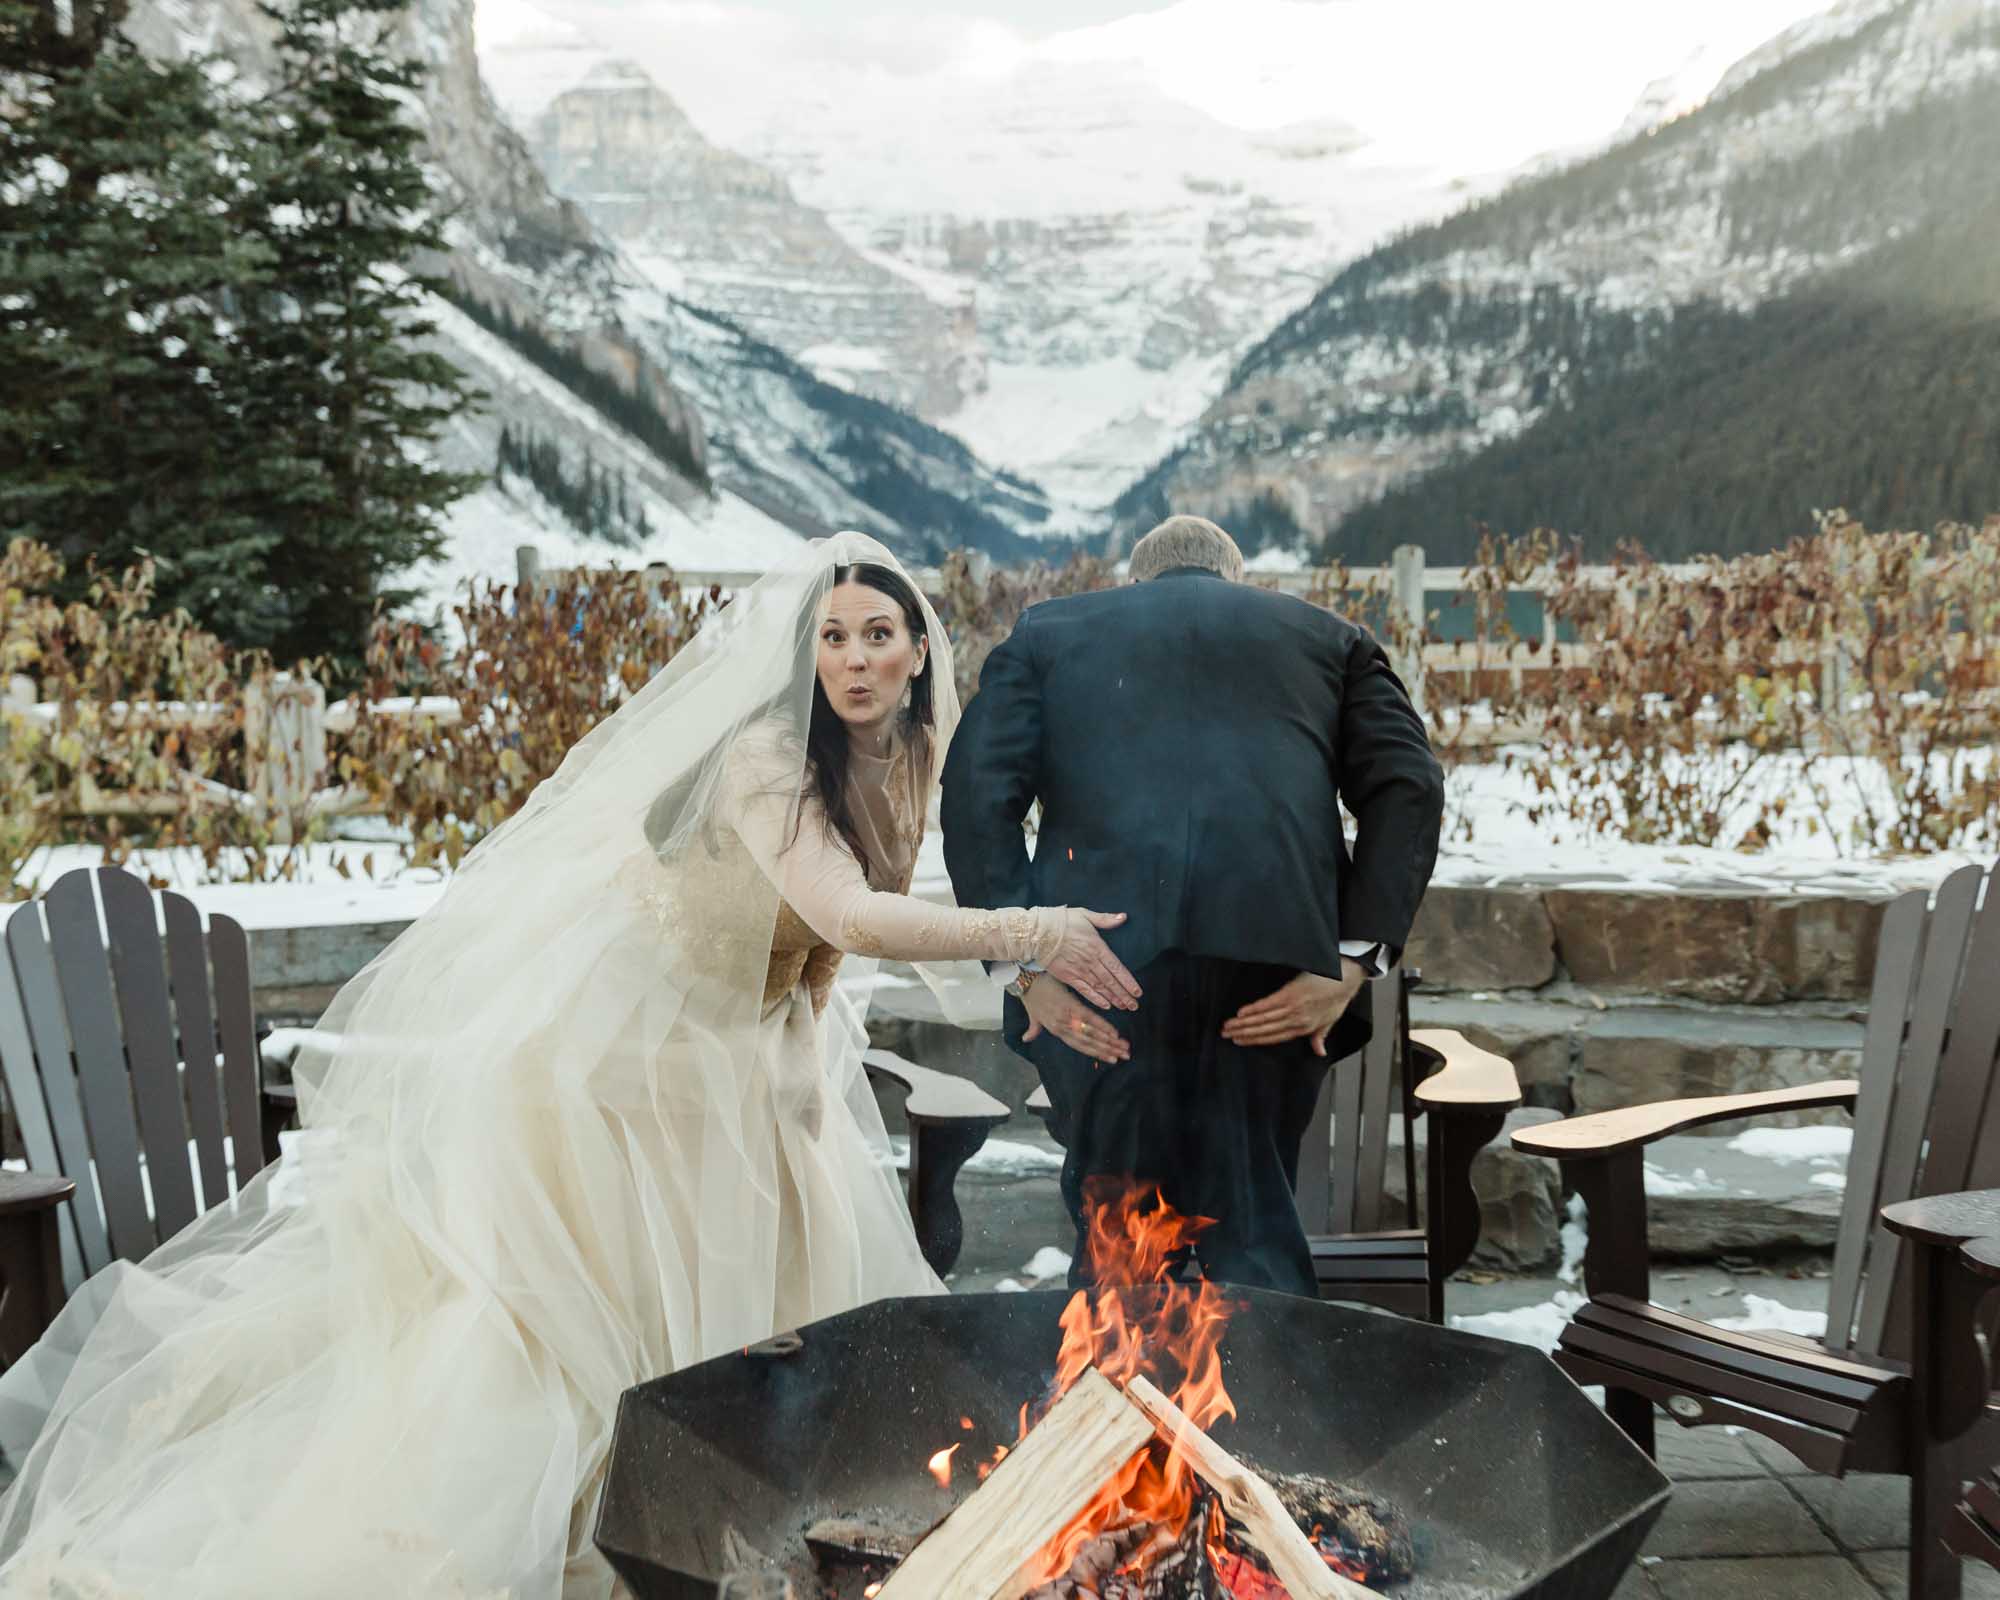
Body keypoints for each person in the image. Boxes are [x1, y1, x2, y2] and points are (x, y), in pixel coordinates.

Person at [0, 533, 1133, 1598]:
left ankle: (732, 1518)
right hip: (622, 1068)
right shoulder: (766, 761)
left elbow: (831, 935)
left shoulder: (901, 750)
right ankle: (613, 1525)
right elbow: (847, 905)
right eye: (830, 637)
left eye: (875, 633)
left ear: (919, 645)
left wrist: (830, 1031)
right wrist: (1035, 934)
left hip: (744, 1051)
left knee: (778, 1292)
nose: (853, 657)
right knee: (588, 1337)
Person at [942, 514, 1445, 1295]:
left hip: (1098, 963)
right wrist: (1351, 960)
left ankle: (1111, 1402)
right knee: (1256, 1216)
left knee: (1119, 1229)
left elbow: (976, 795)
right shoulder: (1328, 637)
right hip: (1275, 969)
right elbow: (1408, 786)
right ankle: (1269, 1400)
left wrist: (1024, 965)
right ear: (1234, 580)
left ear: (1137, 582)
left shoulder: (1050, 632)